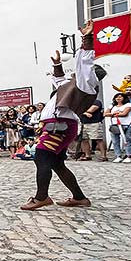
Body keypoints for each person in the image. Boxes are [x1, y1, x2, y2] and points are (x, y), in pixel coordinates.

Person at [21, 20, 101, 211]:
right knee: (56, 163)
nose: (74, 72)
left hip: (61, 126)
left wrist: (87, 39)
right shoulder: (70, 84)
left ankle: (42, 197)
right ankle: (79, 198)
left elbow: (85, 63)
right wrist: (57, 64)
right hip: (57, 125)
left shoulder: (86, 82)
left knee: (41, 157)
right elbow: (59, 80)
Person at [105, 93, 131, 163]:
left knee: (127, 140)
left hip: (127, 125)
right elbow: (105, 114)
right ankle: (118, 156)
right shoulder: (112, 106)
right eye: (116, 97)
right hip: (115, 125)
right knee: (115, 141)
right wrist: (116, 113)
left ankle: (128, 155)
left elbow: (124, 114)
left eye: (120, 97)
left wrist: (112, 114)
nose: (118, 98)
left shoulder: (128, 105)